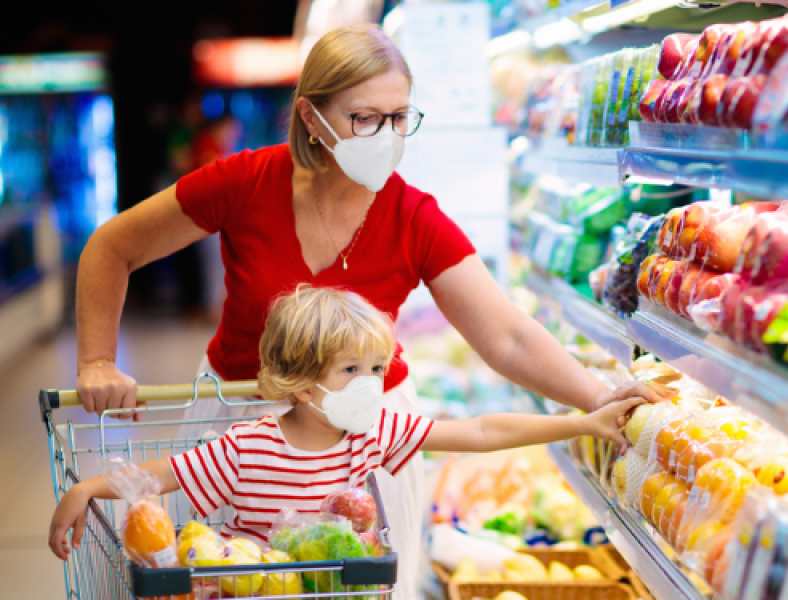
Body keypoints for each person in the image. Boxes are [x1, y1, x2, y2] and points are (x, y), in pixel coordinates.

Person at [70, 24, 662, 599]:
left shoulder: (413, 216)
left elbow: (505, 336)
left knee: (359, 589)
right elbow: (113, 247)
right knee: (227, 579)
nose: (388, 135)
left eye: (400, 118)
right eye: (365, 118)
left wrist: (598, 399)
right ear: (311, 116)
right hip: (240, 432)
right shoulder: (245, 182)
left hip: (364, 439)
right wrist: (96, 359)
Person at [49, 286, 642, 564]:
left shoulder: (373, 433)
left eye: (378, 368)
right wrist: (85, 488)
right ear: (302, 384)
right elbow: (160, 476)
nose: (372, 383)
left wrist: (581, 422)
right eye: (352, 369)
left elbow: (481, 432)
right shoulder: (246, 448)